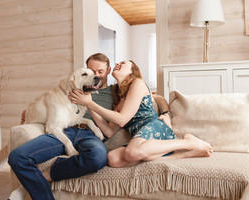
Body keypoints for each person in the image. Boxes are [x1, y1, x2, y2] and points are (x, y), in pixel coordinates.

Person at [69, 60, 213, 168]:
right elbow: (109, 132)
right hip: (143, 140)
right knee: (112, 159)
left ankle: (188, 142)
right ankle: (185, 154)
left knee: (132, 152)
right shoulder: (119, 99)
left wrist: (89, 103)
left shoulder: (137, 83)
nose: (118, 63)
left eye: (124, 63)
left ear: (132, 71)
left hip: (155, 127)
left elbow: (122, 120)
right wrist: (88, 104)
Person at [8, 53, 114, 200]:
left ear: (108, 71)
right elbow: (53, 102)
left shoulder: (114, 92)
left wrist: (89, 103)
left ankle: (44, 176)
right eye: (90, 71)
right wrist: (33, 111)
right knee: (17, 157)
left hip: (90, 135)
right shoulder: (72, 88)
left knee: (97, 157)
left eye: (100, 72)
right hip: (66, 130)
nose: (95, 75)